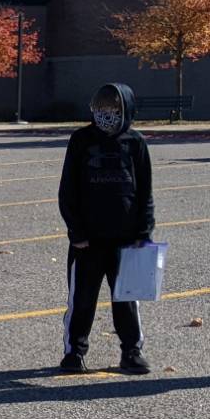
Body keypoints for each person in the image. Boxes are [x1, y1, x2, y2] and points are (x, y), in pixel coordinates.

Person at [56, 83, 154, 375]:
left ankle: (131, 351)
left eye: (113, 110)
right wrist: (77, 232)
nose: (107, 116)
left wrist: (143, 233)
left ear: (126, 109)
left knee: (126, 299)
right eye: (101, 110)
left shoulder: (135, 143)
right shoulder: (81, 140)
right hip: (88, 240)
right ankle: (74, 351)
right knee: (82, 299)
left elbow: (145, 191)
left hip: (126, 240)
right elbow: (67, 190)